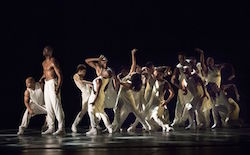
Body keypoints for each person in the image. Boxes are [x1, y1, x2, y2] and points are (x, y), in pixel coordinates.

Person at [112, 49, 151, 132]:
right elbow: (134, 63)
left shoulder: (131, 83)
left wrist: (115, 76)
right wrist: (133, 54)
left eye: (133, 73)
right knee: (117, 109)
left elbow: (121, 83)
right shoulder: (131, 74)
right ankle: (116, 126)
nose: (132, 72)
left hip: (127, 96)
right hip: (121, 94)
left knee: (134, 110)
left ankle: (146, 126)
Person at [40, 46, 65, 135]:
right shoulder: (43, 63)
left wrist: (58, 87)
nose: (44, 51)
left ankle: (61, 128)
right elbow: (45, 73)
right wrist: (41, 79)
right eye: (43, 49)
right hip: (47, 84)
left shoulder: (53, 60)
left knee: (56, 106)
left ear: (50, 52)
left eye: (46, 50)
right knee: (49, 106)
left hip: (53, 83)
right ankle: (51, 127)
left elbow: (60, 75)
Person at [86, 69, 113, 135]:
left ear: (105, 74)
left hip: (96, 96)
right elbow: (101, 88)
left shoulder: (99, 80)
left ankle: (94, 128)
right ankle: (109, 127)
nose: (103, 71)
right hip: (101, 95)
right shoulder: (106, 79)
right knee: (101, 112)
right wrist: (93, 87)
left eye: (105, 71)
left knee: (91, 111)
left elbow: (97, 91)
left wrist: (94, 101)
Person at [171, 53, 192, 127]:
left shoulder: (189, 64)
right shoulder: (178, 67)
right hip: (182, 88)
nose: (181, 60)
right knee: (179, 105)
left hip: (190, 88)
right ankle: (176, 121)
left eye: (183, 58)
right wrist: (180, 87)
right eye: (180, 58)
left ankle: (184, 120)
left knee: (189, 105)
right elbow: (173, 80)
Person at [71, 64, 92, 133]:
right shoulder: (76, 76)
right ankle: (74, 125)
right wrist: (91, 82)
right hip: (85, 94)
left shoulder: (82, 77)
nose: (84, 73)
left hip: (88, 93)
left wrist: (90, 85)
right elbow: (81, 82)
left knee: (91, 110)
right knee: (83, 111)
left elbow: (85, 84)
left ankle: (93, 126)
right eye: (84, 72)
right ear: (80, 70)